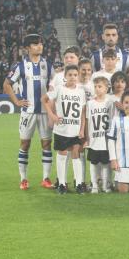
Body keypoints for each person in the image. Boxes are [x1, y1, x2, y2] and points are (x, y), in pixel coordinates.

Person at [3, 33, 54, 190]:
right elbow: (7, 84)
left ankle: (46, 178)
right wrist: (17, 101)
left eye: (40, 43)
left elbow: (55, 86)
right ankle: (23, 179)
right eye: (35, 44)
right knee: (25, 144)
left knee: (46, 144)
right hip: (28, 112)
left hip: (45, 112)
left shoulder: (49, 65)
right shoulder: (20, 66)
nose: (39, 46)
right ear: (27, 48)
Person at [44, 65, 87, 194]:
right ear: (65, 76)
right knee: (62, 155)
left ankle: (79, 183)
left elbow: (83, 112)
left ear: (78, 76)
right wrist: (52, 115)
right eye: (70, 75)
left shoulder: (81, 91)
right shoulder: (59, 89)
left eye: (75, 75)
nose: (73, 77)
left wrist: (82, 129)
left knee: (76, 155)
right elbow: (44, 99)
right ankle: (61, 184)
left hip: (75, 130)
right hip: (61, 129)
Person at [84, 76, 114, 193]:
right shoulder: (90, 103)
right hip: (94, 139)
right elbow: (87, 120)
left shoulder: (110, 102)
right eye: (95, 86)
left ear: (106, 88)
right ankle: (95, 185)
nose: (97, 89)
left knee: (106, 163)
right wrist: (87, 137)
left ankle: (105, 185)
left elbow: (113, 119)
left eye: (100, 86)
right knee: (94, 162)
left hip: (106, 139)